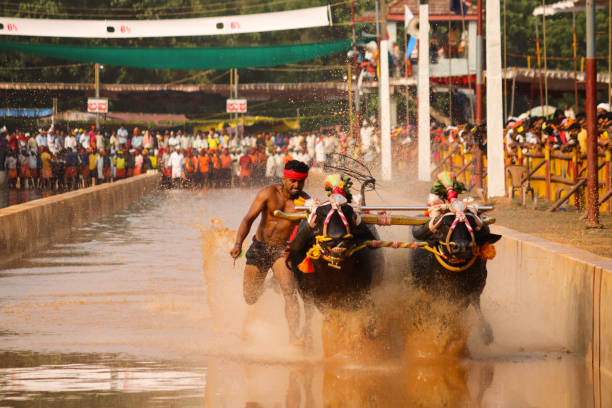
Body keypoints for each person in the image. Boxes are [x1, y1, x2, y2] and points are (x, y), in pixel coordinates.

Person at [230, 160, 311, 347]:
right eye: (292, 181)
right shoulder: (268, 193)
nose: (296, 186)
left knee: (290, 294)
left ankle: (293, 338)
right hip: (259, 248)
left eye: (300, 182)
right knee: (250, 297)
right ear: (284, 178)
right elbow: (248, 219)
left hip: (282, 252)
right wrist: (238, 243)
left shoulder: (306, 203)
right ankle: (268, 285)